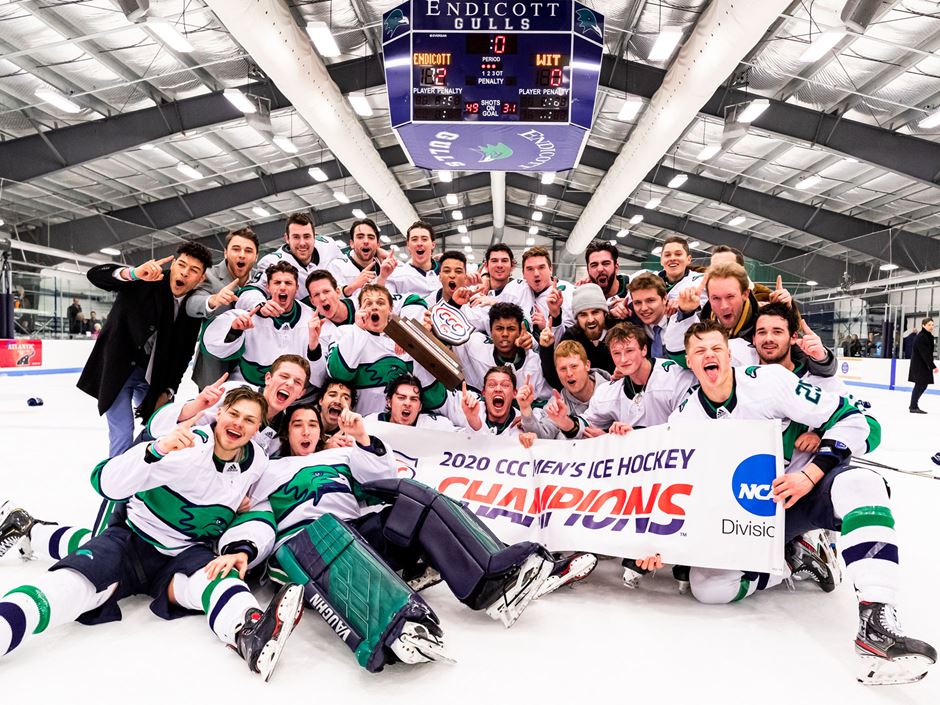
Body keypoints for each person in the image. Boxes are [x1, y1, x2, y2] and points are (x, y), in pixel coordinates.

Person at [670, 319, 936, 685]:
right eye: (699, 351)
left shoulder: (769, 383)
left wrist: (810, 474)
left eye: (716, 348)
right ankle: (796, 558)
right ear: (688, 360)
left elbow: (853, 420)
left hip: (802, 493)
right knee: (707, 586)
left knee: (861, 482)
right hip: (748, 518)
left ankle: (876, 619)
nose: (709, 355)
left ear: (729, 353)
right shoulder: (684, 417)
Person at [0, 388, 305, 682]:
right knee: (74, 583)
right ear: (220, 413)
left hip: (185, 553)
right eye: (234, 414)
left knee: (217, 577)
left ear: (258, 428)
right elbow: (105, 482)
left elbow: (260, 511)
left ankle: (250, 632)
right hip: (132, 539)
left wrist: (244, 549)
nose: (238, 423)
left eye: (249, 420)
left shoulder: (258, 464)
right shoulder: (189, 448)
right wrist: (154, 451)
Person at [249, 405, 556, 663]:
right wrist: (244, 550)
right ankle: (396, 625)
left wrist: (362, 438)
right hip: (300, 553)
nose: (306, 431)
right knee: (330, 530)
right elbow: (253, 517)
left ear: (321, 431)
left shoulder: (338, 457)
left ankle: (489, 580)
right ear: (286, 431)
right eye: (298, 425)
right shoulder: (268, 470)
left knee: (414, 496)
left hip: (357, 539)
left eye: (312, 424)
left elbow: (381, 478)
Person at [77, 242, 213, 457]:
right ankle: (117, 484)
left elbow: (183, 354)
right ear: (174, 263)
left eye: (194, 270)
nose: (185, 273)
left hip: (153, 377)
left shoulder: (192, 305)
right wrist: (132, 273)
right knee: (122, 431)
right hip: (118, 371)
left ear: (201, 278)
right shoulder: (146, 279)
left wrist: (168, 391)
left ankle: (145, 474)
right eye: (182, 265)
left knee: (161, 428)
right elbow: (96, 275)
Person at [145, 354, 310, 458]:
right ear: (268, 378)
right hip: (165, 453)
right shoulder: (233, 392)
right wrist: (197, 405)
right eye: (284, 376)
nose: (289, 383)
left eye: (297, 382)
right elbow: (157, 426)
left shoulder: (282, 429)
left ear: (301, 393)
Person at [202, 262, 324, 386]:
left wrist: (314, 346)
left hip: (291, 392)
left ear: (297, 288)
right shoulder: (251, 314)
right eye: (277, 283)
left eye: (288, 283)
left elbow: (319, 374)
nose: (282, 287)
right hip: (247, 387)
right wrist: (234, 330)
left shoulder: (310, 318)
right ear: (267, 287)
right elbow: (214, 347)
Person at [185, 227, 260, 389]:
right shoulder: (210, 275)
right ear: (226, 252)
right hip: (215, 369)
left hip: (248, 369)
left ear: (256, 256)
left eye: (248, 251)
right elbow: (192, 305)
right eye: (236, 249)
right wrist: (213, 300)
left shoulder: (261, 281)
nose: (241, 255)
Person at [245, 212, 344, 306]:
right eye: (296, 237)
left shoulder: (328, 246)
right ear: (287, 238)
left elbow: (346, 270)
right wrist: (259, 305)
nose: (302, 243)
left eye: (307, 236)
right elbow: (252, 290)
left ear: (314, 236)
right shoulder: (272, 262)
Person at [537, 283, 614, 390]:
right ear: (576, 318)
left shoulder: (617, 334)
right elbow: (557, 381)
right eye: (583, 314)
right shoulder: (572, 337)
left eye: (595, 312)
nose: (590, 319)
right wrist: (546, 348)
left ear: (605, 313)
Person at [364, 373, 460, 430]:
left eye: (413, 399)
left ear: (420, 407)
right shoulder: (370, 423)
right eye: (401, 397)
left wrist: (472, 419)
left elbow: (467, 440)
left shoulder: (435, 425)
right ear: (389, 402)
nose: (407, 403)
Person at [327, 218, 394, 298]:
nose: (366, 241)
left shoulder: (386, 268)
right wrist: (353, 286)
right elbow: (329, 299)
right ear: (352, 244)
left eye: (371, 237)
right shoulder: (337, 266)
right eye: (360, 237)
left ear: (378, 244)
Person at [384, 221, 441, 300]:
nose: (419, 243)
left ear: (433, 245)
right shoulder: (396, 275)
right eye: (414, 239)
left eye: (424, 239)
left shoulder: (447, 271)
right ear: (408, 245)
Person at [909, 317, 937, 414]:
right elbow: (924, 353)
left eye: (932, 325)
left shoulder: (929, 336)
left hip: (925, 364)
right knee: (920, 384)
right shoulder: (921, 337)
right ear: (923, 325)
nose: (931, 326)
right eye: (929, 325)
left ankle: (913, 405)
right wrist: (933, 366)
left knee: (924, 385)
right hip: (919, 365)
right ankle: (913, 406)